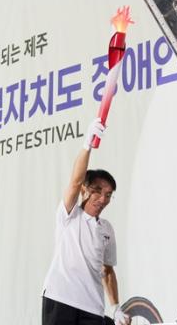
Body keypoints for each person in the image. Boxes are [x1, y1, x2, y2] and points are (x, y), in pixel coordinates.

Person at [42, 118, 130, 325]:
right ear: (84, 190)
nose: (102, 199)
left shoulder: (106, 229)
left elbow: (107, 271)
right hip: (60, 298)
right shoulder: (69, 214)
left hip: (92, 307)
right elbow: (75, 181)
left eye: (108, 195)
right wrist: (87, 144)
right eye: (97, 191)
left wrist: (116, 307)